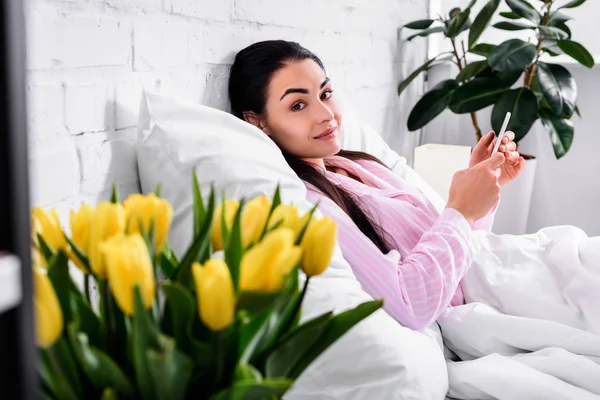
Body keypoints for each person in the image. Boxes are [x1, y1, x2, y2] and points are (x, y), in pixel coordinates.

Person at [227, 40, 527, 331]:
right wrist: (461, 211)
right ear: (258, 122)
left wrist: (483, 189)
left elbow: (456, 254)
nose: (326, 114)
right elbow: (411, 304)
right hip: (495, 299)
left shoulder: (359, 164)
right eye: (298, 105)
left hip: (505, 273)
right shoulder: (312, 206)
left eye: (326, 93)